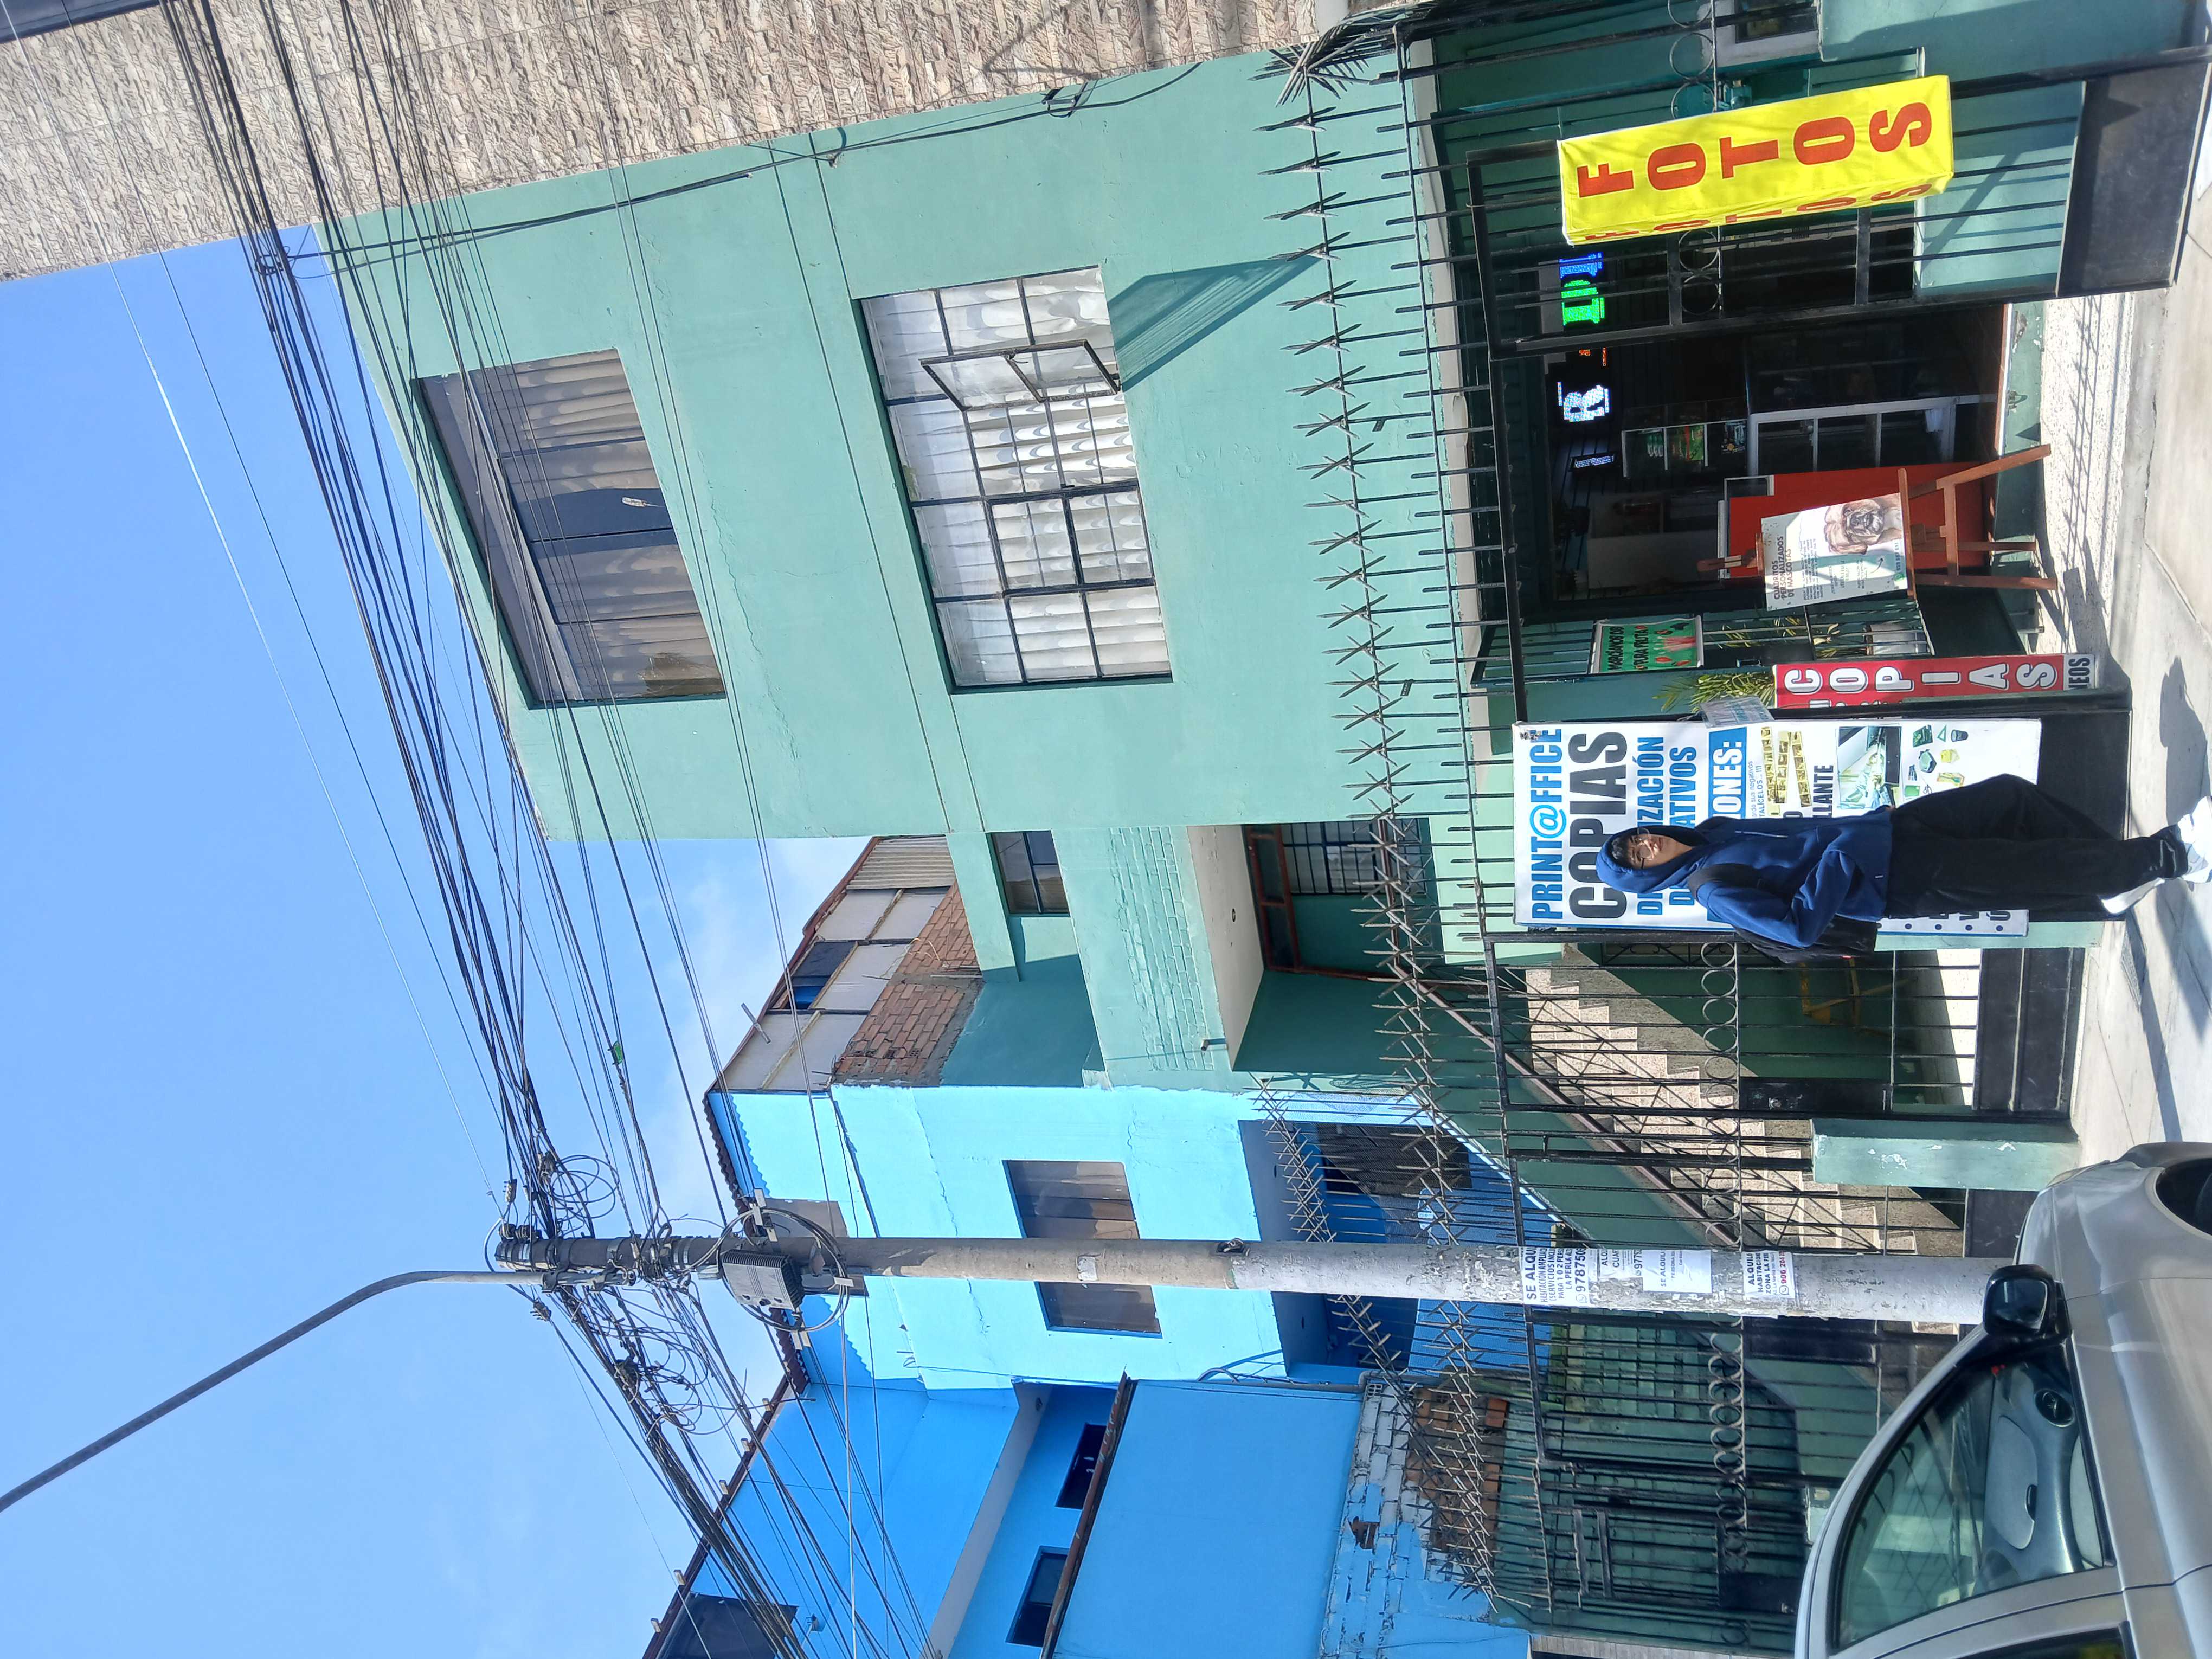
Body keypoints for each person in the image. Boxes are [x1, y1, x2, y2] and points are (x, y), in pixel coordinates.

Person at [1595, 775, 2212, 952]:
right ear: (1647, 877)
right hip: (1893, 878)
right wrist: (1841, 856)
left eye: (1637, 839)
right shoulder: (1712, 888)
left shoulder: (1711, 833)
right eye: (1637, 858)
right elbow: (1796, 929)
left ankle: (2120, 873)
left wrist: (1863, 826)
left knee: (2010, 798)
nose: (1645, 846)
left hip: (1890, 832)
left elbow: (1804, 833)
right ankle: (2173, 855)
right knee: (2030, 869)